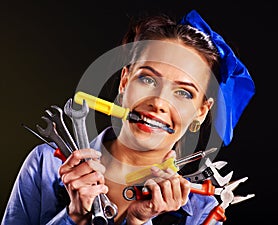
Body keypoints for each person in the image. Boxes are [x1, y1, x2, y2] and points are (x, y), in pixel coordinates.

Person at [1, 9, 255, 225]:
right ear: (125, 81)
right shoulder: (46, 164)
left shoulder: (203, 213)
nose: (158, 102)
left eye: (183, 93)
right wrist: (74, 217)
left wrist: (137, 222)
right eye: (147, 79)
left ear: (201, 111)